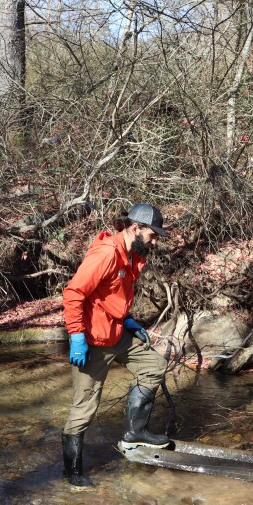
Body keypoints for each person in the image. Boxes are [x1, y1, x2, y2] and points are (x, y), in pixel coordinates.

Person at [61, 203, 170, 487]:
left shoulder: (132, 253)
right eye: (152, 234)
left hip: (117, 332)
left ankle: (135, 433)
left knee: (154, 365)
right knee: (84, 408)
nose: (154, 240)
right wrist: (76, 337)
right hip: (92, 341)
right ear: (135, 228)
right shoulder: (107, 253)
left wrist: (129, 320)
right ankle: (72, 474)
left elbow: (111, 296)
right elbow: (73, 294)